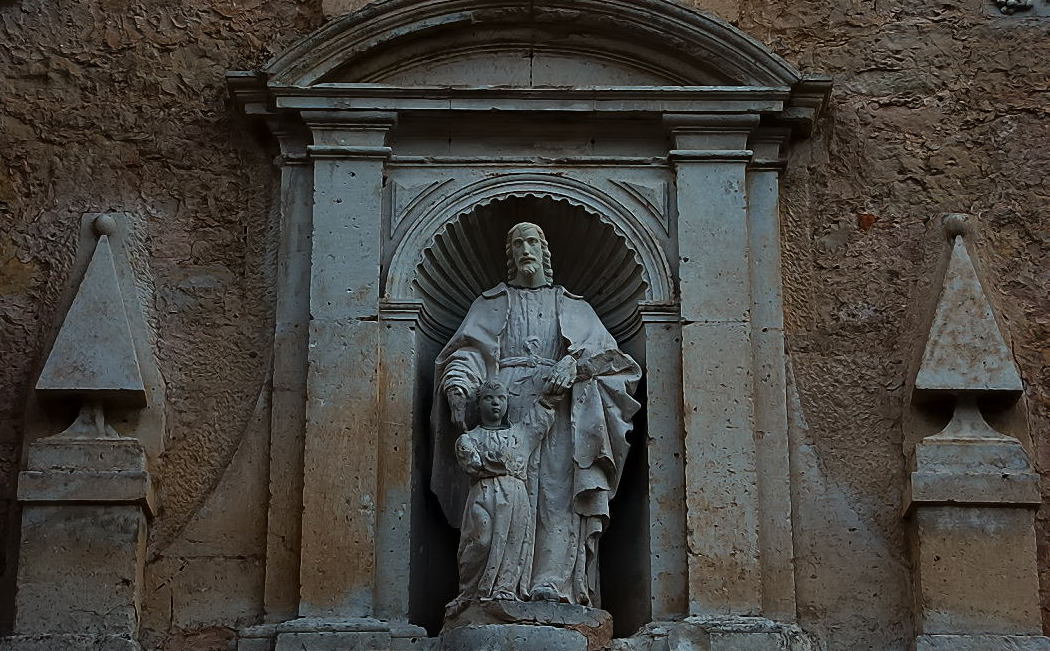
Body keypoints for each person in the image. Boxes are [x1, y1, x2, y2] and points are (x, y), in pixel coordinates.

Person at [431, 221, 641, 606]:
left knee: (557, 493)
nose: (525, 250)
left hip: (561, 408)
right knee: (507, 493)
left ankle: (551, 581)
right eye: (517, 244)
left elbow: (613, 359)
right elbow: (467, 353)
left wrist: (576, 366)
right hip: (504, 407)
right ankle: (500, 584)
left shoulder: (573, 305)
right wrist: (459, 386)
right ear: (509, 255)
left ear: (545, 251)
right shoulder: (490, 303)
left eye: (532, 242)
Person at [449, 379, 563, 613]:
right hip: (484, 495)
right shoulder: (468, 439)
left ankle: (504, 590)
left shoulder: (520, 433)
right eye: (489, 398)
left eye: (501, 398)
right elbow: (474, 465)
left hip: (515, 497)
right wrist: (506, 463)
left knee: (513, 542)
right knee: (481, 539)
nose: (495, 403)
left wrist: (556, 387)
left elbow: (540, 416)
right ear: (478, 404)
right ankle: (470, 592)